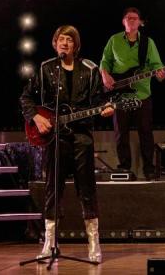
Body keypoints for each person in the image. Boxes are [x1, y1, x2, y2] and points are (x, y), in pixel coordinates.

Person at [19, 25, 113, 263]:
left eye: (69, 40)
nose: (64, 43)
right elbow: (26, 97)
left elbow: (100, 100)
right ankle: (49, 243)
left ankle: (94, 242)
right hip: (55, 138)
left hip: (82, 137)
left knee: (87, 190)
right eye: (61, 39)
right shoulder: (46, 68)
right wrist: (36, 117)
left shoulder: (90, 69)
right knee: (53, 189)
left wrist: (106, 108)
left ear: (75, 45)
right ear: (55, 43)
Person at [100, 7, 165, 180]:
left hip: (142, 95)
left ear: (140, 22)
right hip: (119, 96)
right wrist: (105, 75)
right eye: (128, 18)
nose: (131, 20)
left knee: (146, 132)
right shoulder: (114, 40)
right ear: (123, 21)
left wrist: (160, 74)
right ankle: (124, 167)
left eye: (135, 18)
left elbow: (157, 65)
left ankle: (149, 169)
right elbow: (104, 62)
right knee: (120, 134)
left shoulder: (148, 42)